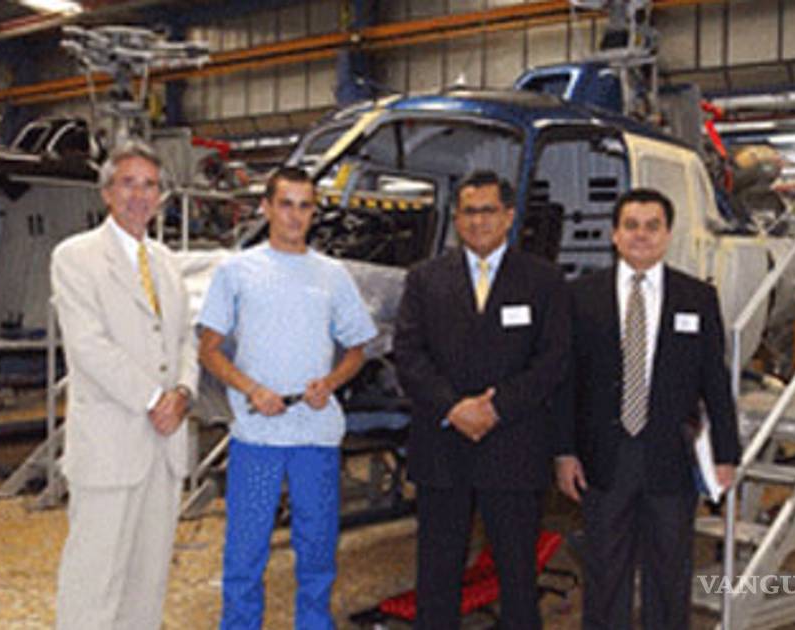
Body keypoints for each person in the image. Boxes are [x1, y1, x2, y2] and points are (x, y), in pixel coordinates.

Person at [198, 166, 377, 629]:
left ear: (314, 212)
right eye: (285, 204)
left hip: (315, 436)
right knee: (245, 551)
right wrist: (252, 389)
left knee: (317, 549)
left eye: (305, 206)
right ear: (266, 207)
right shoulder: (236, 271)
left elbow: (357, 349)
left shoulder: (332, 275)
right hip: (257, 437)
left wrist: (330, 382)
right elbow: (208, 350)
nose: (295, 216)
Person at [556, 188, 741, 629]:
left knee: (669, 574)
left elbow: (715, 381)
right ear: (614, 234)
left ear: (668, 234)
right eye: (631, 226)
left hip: (670, 457)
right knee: (605, 574)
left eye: (652, 226)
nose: (641, 235)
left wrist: (727, 453)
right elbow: (565, 383)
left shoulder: (697, 297)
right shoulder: (581, 296)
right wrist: (564, 452)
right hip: (603, 459)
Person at [392, 169, 569, 629]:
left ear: (509, 216)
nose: (477, 221)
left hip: (513, 446)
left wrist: (497, 407)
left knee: (517, 574)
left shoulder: (543, 280)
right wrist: (453, 407)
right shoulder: (425, 279)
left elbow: (553, 359)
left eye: (488, 211)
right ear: (456, 219)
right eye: (468, 212)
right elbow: (408, 354)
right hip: (443, 446)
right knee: (437, 573)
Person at [51, 140, 198, 630]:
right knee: (94, 581)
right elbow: (89, 346)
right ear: (107, 192)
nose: (140, 195)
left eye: (150, 185)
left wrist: (183, 393)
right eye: (128, 183)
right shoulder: (76, 257)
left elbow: (186, 338)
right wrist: (155, 398)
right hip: (111, 446)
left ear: (161, 196)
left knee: (148, 581)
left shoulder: (167, 262)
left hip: (164, 446)